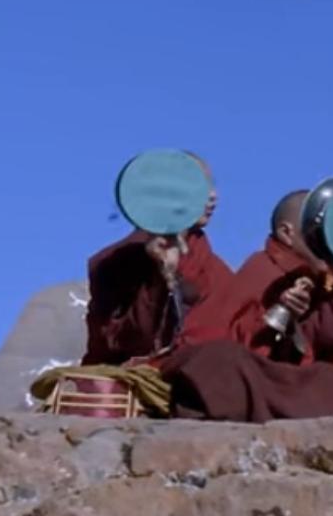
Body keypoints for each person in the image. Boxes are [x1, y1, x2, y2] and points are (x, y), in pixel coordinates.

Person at [162, 190, 333, 422]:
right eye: (318, 234)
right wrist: (280, 319)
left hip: (311, 386)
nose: (329, 244)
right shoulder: (265, 272)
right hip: (267, 383)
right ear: (287, 234)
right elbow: (240, 346)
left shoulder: (325, 282)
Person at [82, 152, 233, 366]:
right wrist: (160, 279)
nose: (213, 196)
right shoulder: (115, 262)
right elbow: (121, 341)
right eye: (200, 187)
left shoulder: (215, 269)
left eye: (211, 186)